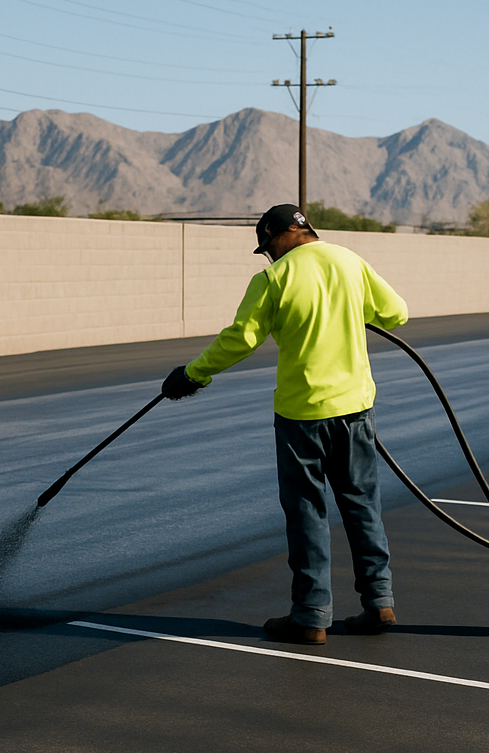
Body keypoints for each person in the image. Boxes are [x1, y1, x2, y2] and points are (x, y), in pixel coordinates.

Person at [162, 203, 409, 646]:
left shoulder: (273, 279)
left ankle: (312, 616)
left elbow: (242, 338)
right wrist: (350, 312)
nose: (268, 256)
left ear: (277, 235)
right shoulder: (350, 260)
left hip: (302, 416)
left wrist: (193, 374)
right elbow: (396, 313)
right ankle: (380, 602)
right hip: (356, 410)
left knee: (307, 513)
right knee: (361, 505)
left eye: (267, 247)